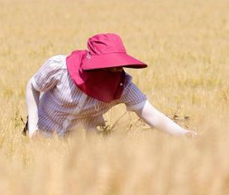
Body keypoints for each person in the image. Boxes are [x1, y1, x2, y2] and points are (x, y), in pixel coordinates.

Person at [25, 33, 195, 137]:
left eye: (118, 65)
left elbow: (151, 115)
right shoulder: (59, 68)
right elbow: (33, 86)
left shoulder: (123, 87)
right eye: (109, 65)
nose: (116, 70)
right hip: (40, 137)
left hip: (75, 148)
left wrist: (183, 134)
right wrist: (33, 130)